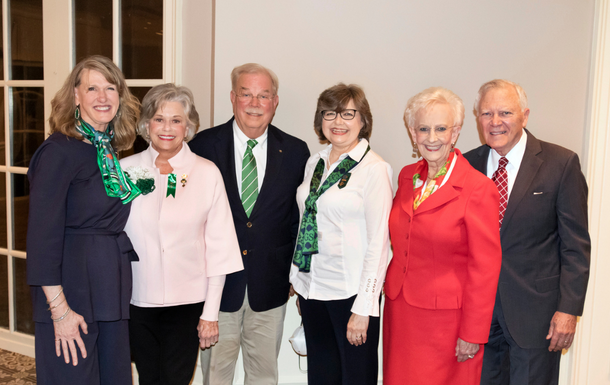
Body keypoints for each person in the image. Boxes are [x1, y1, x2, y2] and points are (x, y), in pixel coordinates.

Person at [189, 63, 310, 384]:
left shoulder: (297, 152)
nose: (255, 103)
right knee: (214, 374)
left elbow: (301, 220)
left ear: (275, 101)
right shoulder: (202, 147)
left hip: (271, 287)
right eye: (246, 94)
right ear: (232, 97)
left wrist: (299, 275)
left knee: (263, 376)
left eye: (263, 95)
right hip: (215, 287)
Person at [464, 79, 591, 385]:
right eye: (486, 114)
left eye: (505, 113)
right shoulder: (468, 165)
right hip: (480, 317)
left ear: (525, 115)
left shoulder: (560, 164)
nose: (495, 122)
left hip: (537, 316)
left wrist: (568, 310)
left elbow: (575, 246)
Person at [26, 55, 141, 385]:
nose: (102, 97)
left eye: (110, 88)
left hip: (109, 289)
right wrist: (59, 311)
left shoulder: (106, 149)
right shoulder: (58, 151)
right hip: (71, 291)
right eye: (92, 88)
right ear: (75, 95)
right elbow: (41, 239)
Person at [120, 84, 244, 385]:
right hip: (137, 300)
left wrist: (210, 314)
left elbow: (220, 246)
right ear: (146, 124)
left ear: (188, 126)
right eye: (159, 118)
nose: (167, 128)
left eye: (176, 120)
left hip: (188, 304)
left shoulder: (206, 172)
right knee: (149, 378)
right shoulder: (126, 170)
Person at [383, 87, 502, 385]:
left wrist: (472, 333)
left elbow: (484, 267)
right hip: (401, 312)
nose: (432, 138)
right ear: (412, 132)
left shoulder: (478, 188)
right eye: (423, 129)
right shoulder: (407, 176)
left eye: (440, 129)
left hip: (448, 324)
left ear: (456, 132)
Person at [289, 83, 393, 385]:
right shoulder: (315, 162)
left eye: (348, 114)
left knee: (355, 378)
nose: (338, 121)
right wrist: (301, 280)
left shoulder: (374, 169)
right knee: (321, 377)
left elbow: (379, 244)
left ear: (363, 121)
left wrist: (364, 307)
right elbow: (306, 221)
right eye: (330, 113)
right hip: (313, 291)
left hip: (351, 295)